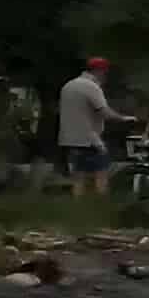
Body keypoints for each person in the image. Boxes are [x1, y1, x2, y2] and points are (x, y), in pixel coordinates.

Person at [56, 55, 117, 195]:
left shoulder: (69, 85)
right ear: (99, 71)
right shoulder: (91, 86)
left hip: (71, 140)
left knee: (78, 177)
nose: (106, 76)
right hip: (90, 140)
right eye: (105, 72)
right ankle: (101, 206)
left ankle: (79, 208)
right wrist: (124, 118)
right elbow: (104, 112)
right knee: (101, 175)